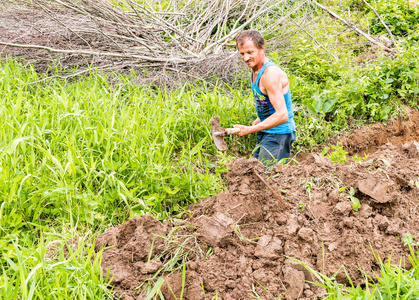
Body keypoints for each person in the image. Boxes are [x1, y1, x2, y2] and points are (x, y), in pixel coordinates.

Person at [233, 30, 296, 167]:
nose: (245, 58)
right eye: (242, 54)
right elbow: (268, 103)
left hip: (279, 134)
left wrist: (249, 129)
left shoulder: (270, 74)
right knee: (255, 172)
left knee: (266, 178)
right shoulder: (255, 69)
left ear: (262, 49)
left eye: (250, 52)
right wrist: (259, 120)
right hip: (267, 131)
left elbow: (283, 115)